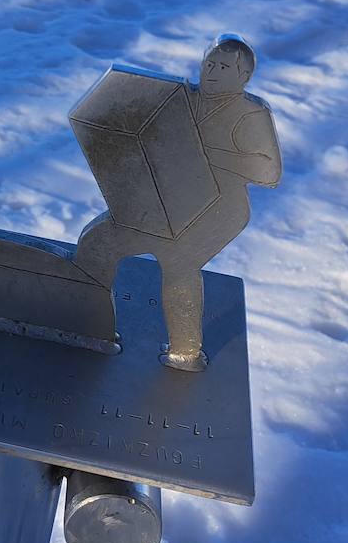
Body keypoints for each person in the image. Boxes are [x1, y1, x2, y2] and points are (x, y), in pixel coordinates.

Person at [72, 34, 281, 371]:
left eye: (223, 67)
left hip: (219, 208)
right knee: (99, 243)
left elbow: (268, 171)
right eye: (208, 63)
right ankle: (89, 329)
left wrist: (205, 153)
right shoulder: (180, 98)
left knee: (179, 263)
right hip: (166, 198)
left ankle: (184, 354)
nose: (211, 71)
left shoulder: (250, 114)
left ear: (243, 77)